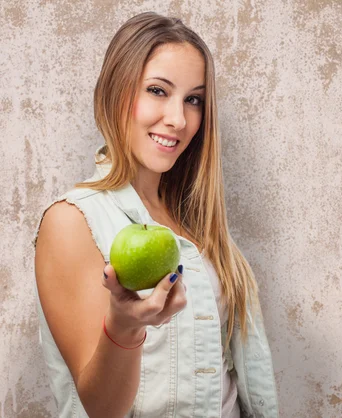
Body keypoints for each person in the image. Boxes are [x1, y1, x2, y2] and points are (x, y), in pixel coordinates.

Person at [33, 12, 278, 418]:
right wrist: (125, 327)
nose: (179, 119)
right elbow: (102, 408)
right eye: (157, 91)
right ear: (116, 92)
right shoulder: (72, 220)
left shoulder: (202, 228)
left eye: (193, 99)